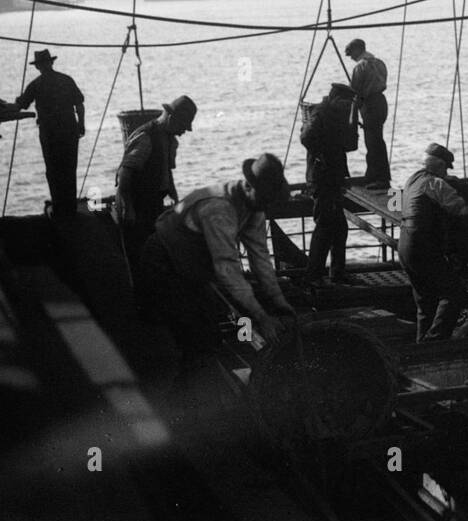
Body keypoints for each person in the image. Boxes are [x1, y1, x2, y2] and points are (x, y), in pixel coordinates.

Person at [138, 153, 297, 369]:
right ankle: (185, 391)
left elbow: (260, 259)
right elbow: (227, 270)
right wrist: (262, 316)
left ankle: (212, 370)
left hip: (192, 264)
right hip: (164, 261)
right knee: (195, 335)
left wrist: (280, 303)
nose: (268, 203)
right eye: (266, 197)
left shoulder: (255, 207)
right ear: (249, 186)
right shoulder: (219, 209)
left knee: (211, 327)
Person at [397, 142, 468, 342]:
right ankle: (436, 341)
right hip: (421, 244)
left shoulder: (413, 179)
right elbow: (459, 209)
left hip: (405, 243)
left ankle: (421, 344)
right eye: (445, 169)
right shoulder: (436, 184)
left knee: (425, 300)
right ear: (439, 166)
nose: (445, 173)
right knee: (453, 292)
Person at [115, 94, 197, 267]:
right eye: (182, 125)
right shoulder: (146, 138)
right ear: (172, 118)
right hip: (136, 202)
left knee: (155, 245)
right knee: (138, 247)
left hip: (154, 200)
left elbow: (167, 170)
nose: (183, 132)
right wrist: (128, 207)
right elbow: (125, 173)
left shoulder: (170, 141)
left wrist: (174, 197)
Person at [16, 48, 84, 216]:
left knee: (53, 170)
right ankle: (71, 209)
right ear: (51, 62)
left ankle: (59, 209)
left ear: (38, 67)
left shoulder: (36, 84)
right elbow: (79, 105)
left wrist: (13, 101)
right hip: (69, 129)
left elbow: (22, 104)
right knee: (69, 167)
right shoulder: (66, 80)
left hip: (49, 132)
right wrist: (81, 125)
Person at [301, 83, 357, 287]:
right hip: (322, 178)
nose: (346, 106)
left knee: (338, 228)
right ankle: (314, 275)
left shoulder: (334, 113)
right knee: (325, 225)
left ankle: (335, 273)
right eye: (345, 102)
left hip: (332, 178)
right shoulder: (321, 113)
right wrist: (322, 155)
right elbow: (306, 138)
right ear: (335, 98)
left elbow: (349, 145)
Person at [344, 38, 390, 190]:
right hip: (381, 102)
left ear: (358, 49)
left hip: (370, 104)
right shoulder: (379, 63)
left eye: (351, 54)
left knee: (373, 142)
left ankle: (379, 178)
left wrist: (350, 111)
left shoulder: (360, 66)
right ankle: (375, 175)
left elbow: (354, 91)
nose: (351, 57)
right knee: (377, 140)